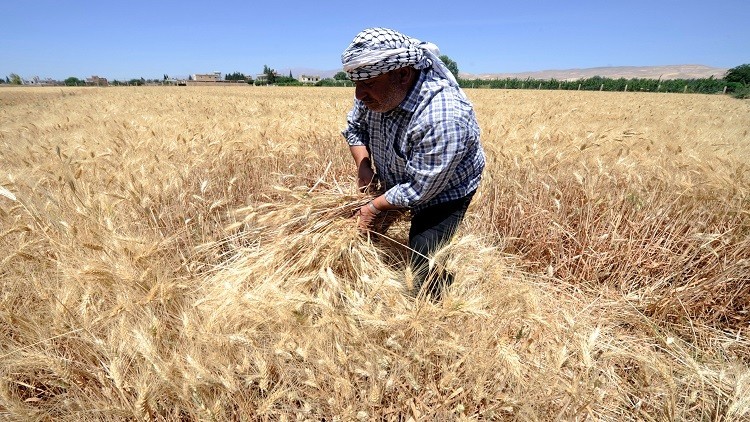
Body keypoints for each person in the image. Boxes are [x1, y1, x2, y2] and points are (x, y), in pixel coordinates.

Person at [340, 27, 486, 299]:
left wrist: (374, 207)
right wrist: (364, 168)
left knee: (424, 265)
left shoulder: (443, 116)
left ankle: (431, 312)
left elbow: (421, 188)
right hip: (397, 179)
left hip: (442, 191)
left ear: (403, 74)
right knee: (354, 235)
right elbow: (354, 129)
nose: (359, 94)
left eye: (368, 83)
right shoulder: (374, 92)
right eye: (356, 84)